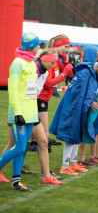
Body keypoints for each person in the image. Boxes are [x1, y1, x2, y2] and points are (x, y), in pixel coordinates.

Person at [50, 51, 98, 175]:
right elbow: (78, 94)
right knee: (71, 135)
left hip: (77, 107)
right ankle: (65, 166)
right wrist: (89, 103)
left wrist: (92, 100)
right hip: (73, 108)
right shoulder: (85, 73)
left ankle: (73, 163)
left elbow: (86, 92)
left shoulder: (90, 73)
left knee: (78, 134)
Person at [0, 32, 40, 191]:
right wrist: (17, 113)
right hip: (20, 114)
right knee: (19, 148)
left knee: (22, 149)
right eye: (37, 45)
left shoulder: (30, 62)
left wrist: (35, 114)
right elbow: (14, 90)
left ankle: (16, 181)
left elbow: (31, 91)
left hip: (30, 113)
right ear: (32, 46)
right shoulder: (18, 63)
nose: (39, 47)